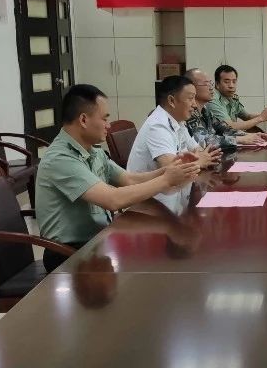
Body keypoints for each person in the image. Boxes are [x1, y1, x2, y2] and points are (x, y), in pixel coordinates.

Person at [34, 84, 200, 271]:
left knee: (153, 259)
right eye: (104, 118)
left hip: (98, 240)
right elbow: (113, 200)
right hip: (69, 253)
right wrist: (166, 180)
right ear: (83, 120)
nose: (108, 125)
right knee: (147, 266)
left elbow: (129, 179)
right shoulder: (60, 159)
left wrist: (171, 169)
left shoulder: (93, 151)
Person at [128, 75, 219, 174]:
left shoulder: (178, 121)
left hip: (175, 182)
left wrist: (205, 156)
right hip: (150, 184)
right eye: (190, 98)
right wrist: (199, 162)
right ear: (171, 101)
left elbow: (195, 149)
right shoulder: (157, 125)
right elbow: (170, 167)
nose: (194, 104)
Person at [183, 68, 267, 148]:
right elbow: (203, 141)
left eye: (211, 83)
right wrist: (239, 139)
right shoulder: (188, 112)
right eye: (206, 84)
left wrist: (248, 135)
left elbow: (223, 128)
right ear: (191, 87)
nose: (211, 88)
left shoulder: (204, 110)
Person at [210, 64, 267, 131]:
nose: (231, 86)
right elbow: (229, 126)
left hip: (231, 136)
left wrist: (266, 116)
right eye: (226, 82)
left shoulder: (232, 98)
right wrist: (261, 118)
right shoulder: (212, 98)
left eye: (234, 81)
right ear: (217, 84)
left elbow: (247, 117)